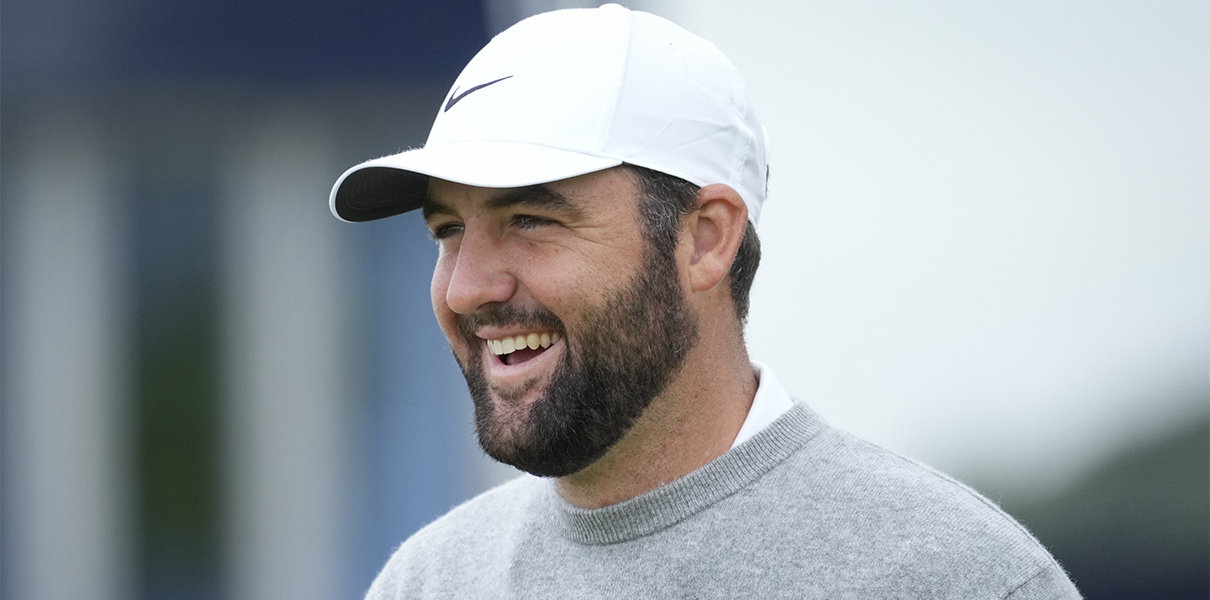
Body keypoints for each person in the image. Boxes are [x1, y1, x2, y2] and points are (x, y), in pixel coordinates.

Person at [329, 5, 1081, 599]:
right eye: (450, 231)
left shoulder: (960, 580)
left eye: (532, 220)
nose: (466, 288)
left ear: (705, 240)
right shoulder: (427, 583)